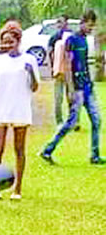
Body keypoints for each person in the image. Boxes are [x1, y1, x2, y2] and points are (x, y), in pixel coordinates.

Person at [0, 20, 40, 200]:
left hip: (20, 110)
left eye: (11, 41)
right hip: (1, 109)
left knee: (19, 149)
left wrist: (30, 72)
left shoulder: (29, 59)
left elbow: (34, 87)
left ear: (18, 41)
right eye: (4, 41)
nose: (7, 45)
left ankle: (18, 188)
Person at [41, 10, 104, 165]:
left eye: (93, 26)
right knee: (71, 123)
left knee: (96, 121)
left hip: (87, 86)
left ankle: (95, 155)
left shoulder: (83, 40)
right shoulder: (72, 40)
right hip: (77, 88)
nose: (91, 29)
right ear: (83, 23)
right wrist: (70, 89)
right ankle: (47, 150)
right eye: (89, 25)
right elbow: (68, 65)